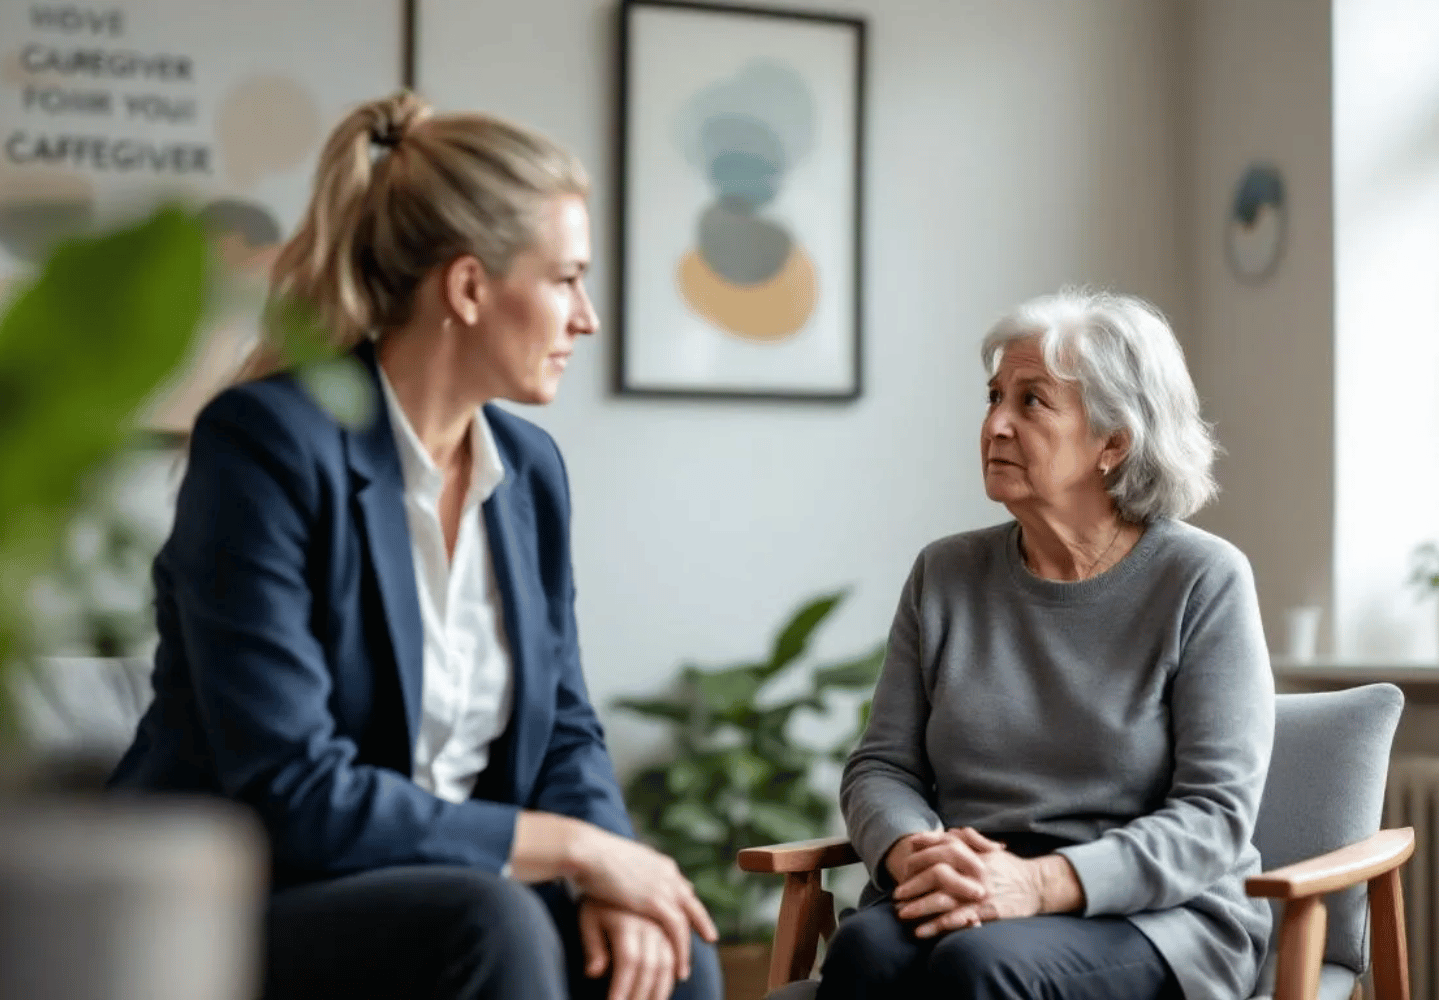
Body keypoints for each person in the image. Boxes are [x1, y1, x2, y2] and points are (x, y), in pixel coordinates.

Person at [110, 91, 722, 1000]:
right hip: (244, 896)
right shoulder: (267, 444)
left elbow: (565, 733)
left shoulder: (529, 470)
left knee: (671, 950)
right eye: (565, 280)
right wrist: (580, 850)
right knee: (492, 921)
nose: (586, 317)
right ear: (470, 287)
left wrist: (617, 876)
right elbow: (290, 786)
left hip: (454, 885)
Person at [819, 290, 1273, 1000]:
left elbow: (1214, 817)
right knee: (864, 952)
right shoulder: (945, 573)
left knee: (981, 969)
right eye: (994, 396)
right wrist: (914, 853)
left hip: (1155, 913)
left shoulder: (1203, 580)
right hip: (977, 889)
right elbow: (882, 765)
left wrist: (1039, 883)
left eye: (1032, 402)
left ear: (1113, 442)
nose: (995, 424)